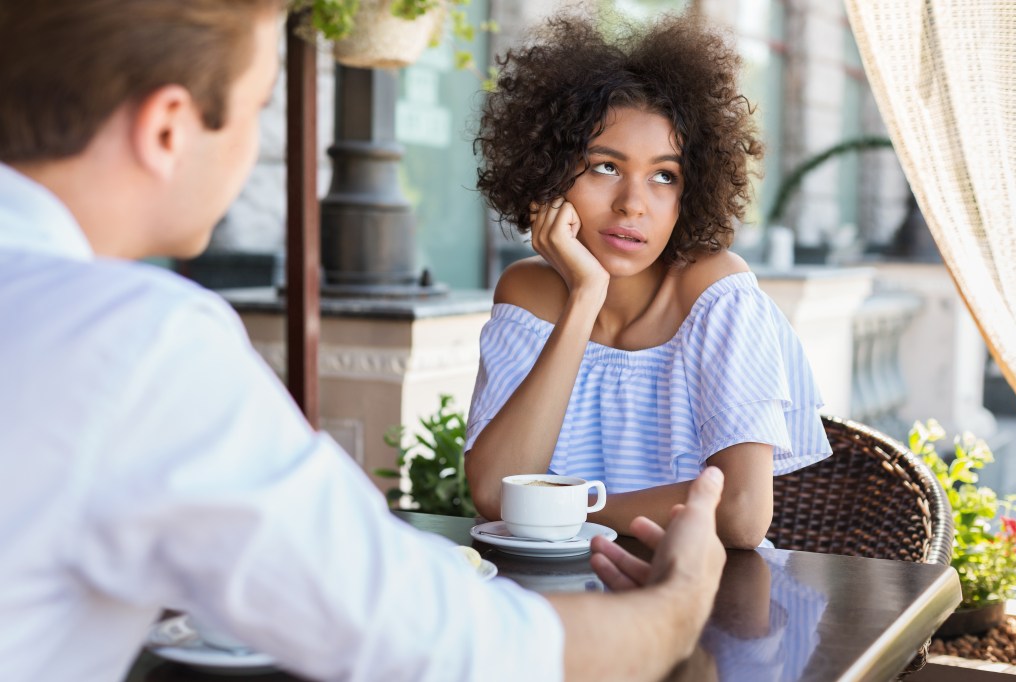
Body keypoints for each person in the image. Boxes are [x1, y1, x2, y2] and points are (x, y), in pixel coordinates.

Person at [0, 2, 727, 681]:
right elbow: (446, 645)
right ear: (168, 129)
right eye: (258, 107)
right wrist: (678, 604)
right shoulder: (136, 344)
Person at [465, 9, 832, 549]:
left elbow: (741, 512)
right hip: (557, 600)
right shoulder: (528, 293)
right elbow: (496, 494)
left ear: (692, 191)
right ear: (547, 172)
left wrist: (572, 509)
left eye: (665, 176)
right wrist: (585, 296)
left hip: (697, 602)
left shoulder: (717, 294)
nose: (633, 204)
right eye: (604, 166)